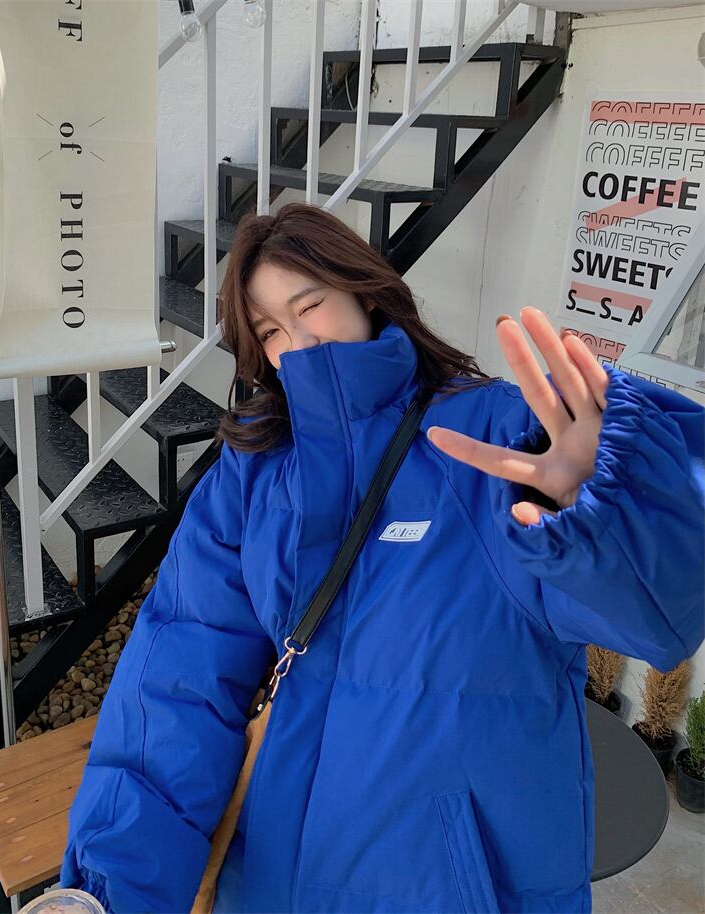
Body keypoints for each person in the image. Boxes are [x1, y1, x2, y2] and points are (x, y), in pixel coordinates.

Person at [59, 202, 704, 914]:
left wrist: (610, 507)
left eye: (311, 305)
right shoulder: (254, 470)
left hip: (450, 888)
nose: (299, 343)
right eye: (270, 331)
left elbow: (660, 618)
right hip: (272, 876)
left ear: (364, 291)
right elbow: (177, 677)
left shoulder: (498, 439)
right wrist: (105, 890)